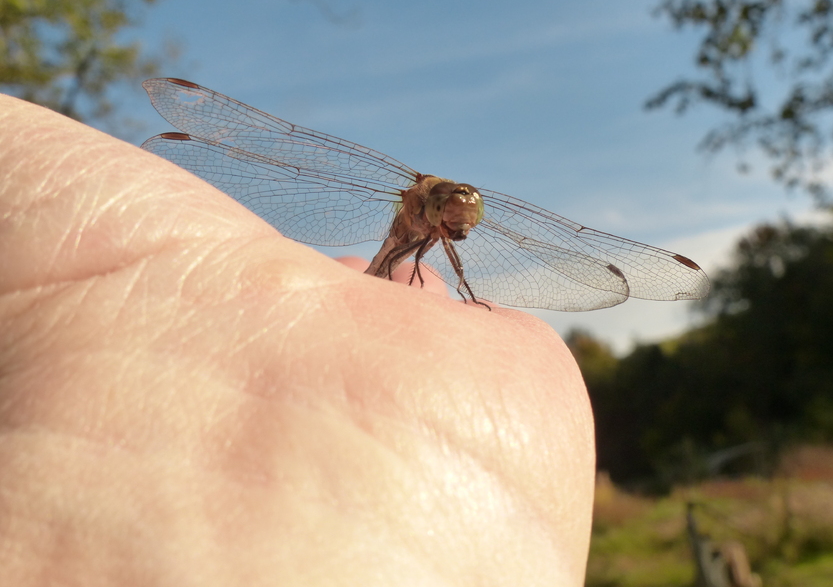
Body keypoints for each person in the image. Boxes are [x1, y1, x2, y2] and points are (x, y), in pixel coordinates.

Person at [0, 93, 595, 586]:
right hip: (386, 272)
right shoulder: (415, 202)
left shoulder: (447, 224)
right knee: (409, 271)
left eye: (468, 215)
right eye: (452, 211)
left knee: (421, 274)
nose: (460, 221)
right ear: (431, 204)